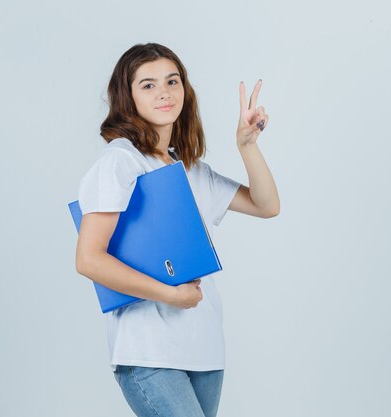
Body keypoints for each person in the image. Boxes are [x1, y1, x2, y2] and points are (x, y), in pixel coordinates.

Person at [74, 43, 280, 417]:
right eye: (148, 85)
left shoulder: (191, 169)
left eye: (172, 81)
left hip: (205, 350)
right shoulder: (120, 161)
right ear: (128, 96)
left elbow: (266, 206)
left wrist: (247, 146)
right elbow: (89, 259)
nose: (164, 92)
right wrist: (169, 293)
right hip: (148, 350)